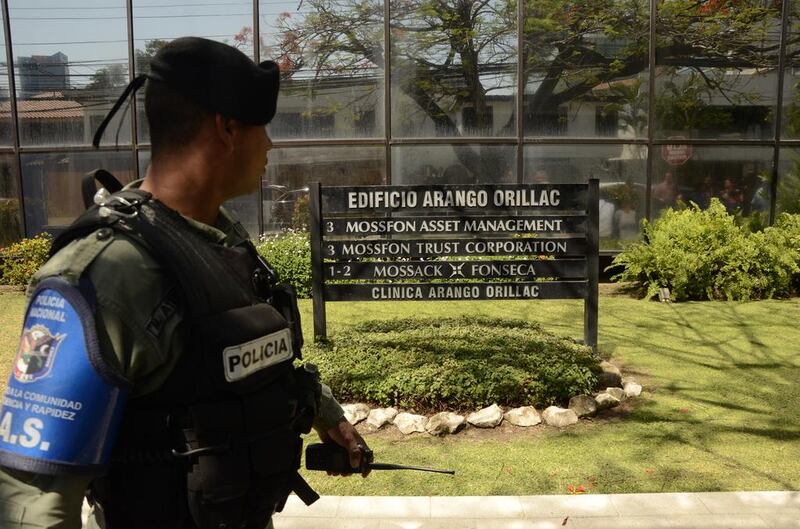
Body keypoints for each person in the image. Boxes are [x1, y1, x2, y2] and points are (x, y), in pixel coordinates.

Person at [0, 37, 368, 529]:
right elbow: (33, 498)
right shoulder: (101, 274)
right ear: (229, 128)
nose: (271, 146)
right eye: (265, 128)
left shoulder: (219, 240)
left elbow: (246, 359)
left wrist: (326, 415)